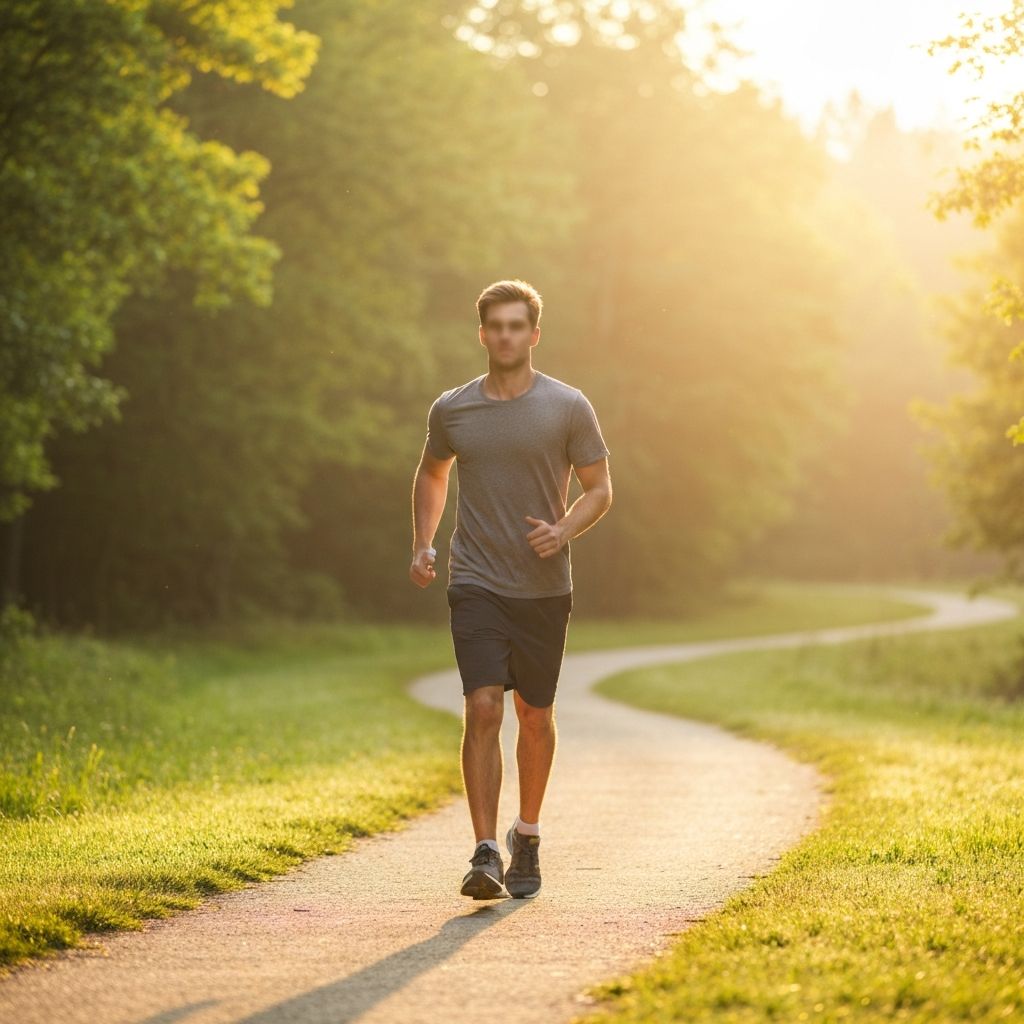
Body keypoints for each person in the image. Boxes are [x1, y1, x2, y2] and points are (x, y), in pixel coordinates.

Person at [408, 278, 613, 900]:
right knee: (483, 705)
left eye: (516, 325)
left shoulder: (568, 406)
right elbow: (432, 473)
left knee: (535, 715)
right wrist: (423, 542)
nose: (505, 335)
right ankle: (485, 849)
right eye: (495, 326)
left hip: (545, 587)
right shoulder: (453, 410)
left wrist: (564, 528)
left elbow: (600, 489)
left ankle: (526, 833)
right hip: (475, 579)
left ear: (534, 334)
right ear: (482, 334)